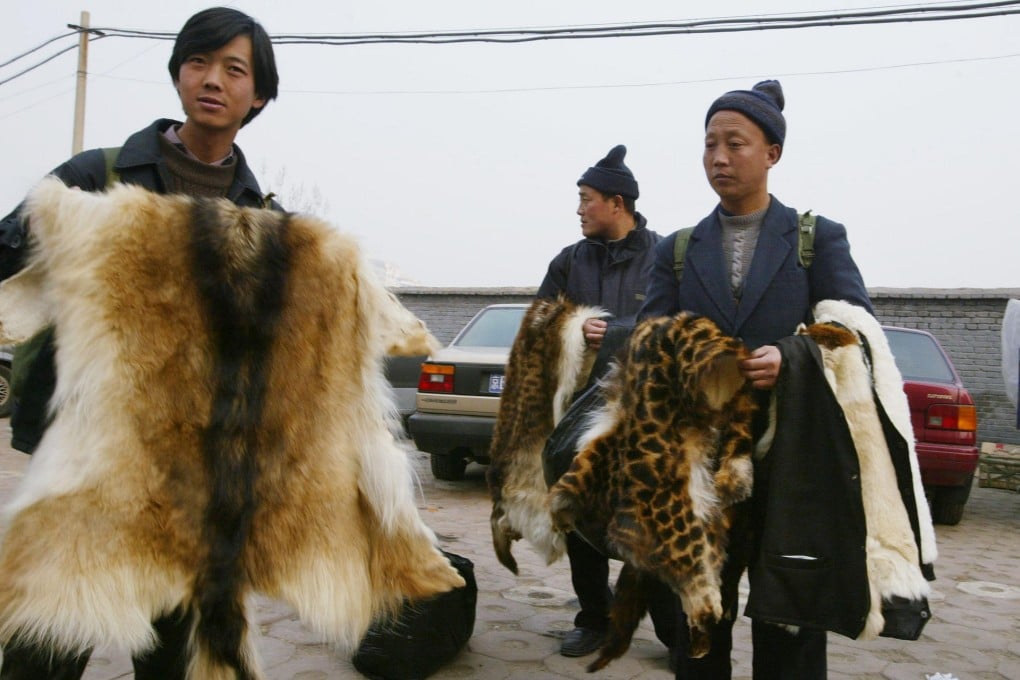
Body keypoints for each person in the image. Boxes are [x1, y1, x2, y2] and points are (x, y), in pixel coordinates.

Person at [0, 7, 279, 678]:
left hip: (189, 474)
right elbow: (9, 256)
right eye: (197, 63)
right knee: (42, 651)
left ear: (258, 94)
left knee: (179, 659)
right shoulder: (102, 173)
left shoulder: (260, 216)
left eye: (233, 69)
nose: (212, 80)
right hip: (83, 461)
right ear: (179, 75)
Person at [639, 80, 873, 679]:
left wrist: (793, 356)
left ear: (772, 153)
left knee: (789, 616)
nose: (719, 157)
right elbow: (647, 342)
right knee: (698, 615)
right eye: (710, 144)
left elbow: (856, 335)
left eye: (735, 143)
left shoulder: (815, 239)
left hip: (789, 456)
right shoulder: (677, 249)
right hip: (701, 463)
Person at [536, 144, 671, 658]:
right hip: (579, 416)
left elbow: (677, 324)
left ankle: (668, 628)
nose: (578, 209)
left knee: (650, 519)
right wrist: (573, 326)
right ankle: (594, 617)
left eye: (585, 199)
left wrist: (617, 332)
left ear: (617, 203)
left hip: (645, 416)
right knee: (580, 514)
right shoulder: (570, 261)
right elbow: (540, 322)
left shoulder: (664, 255)